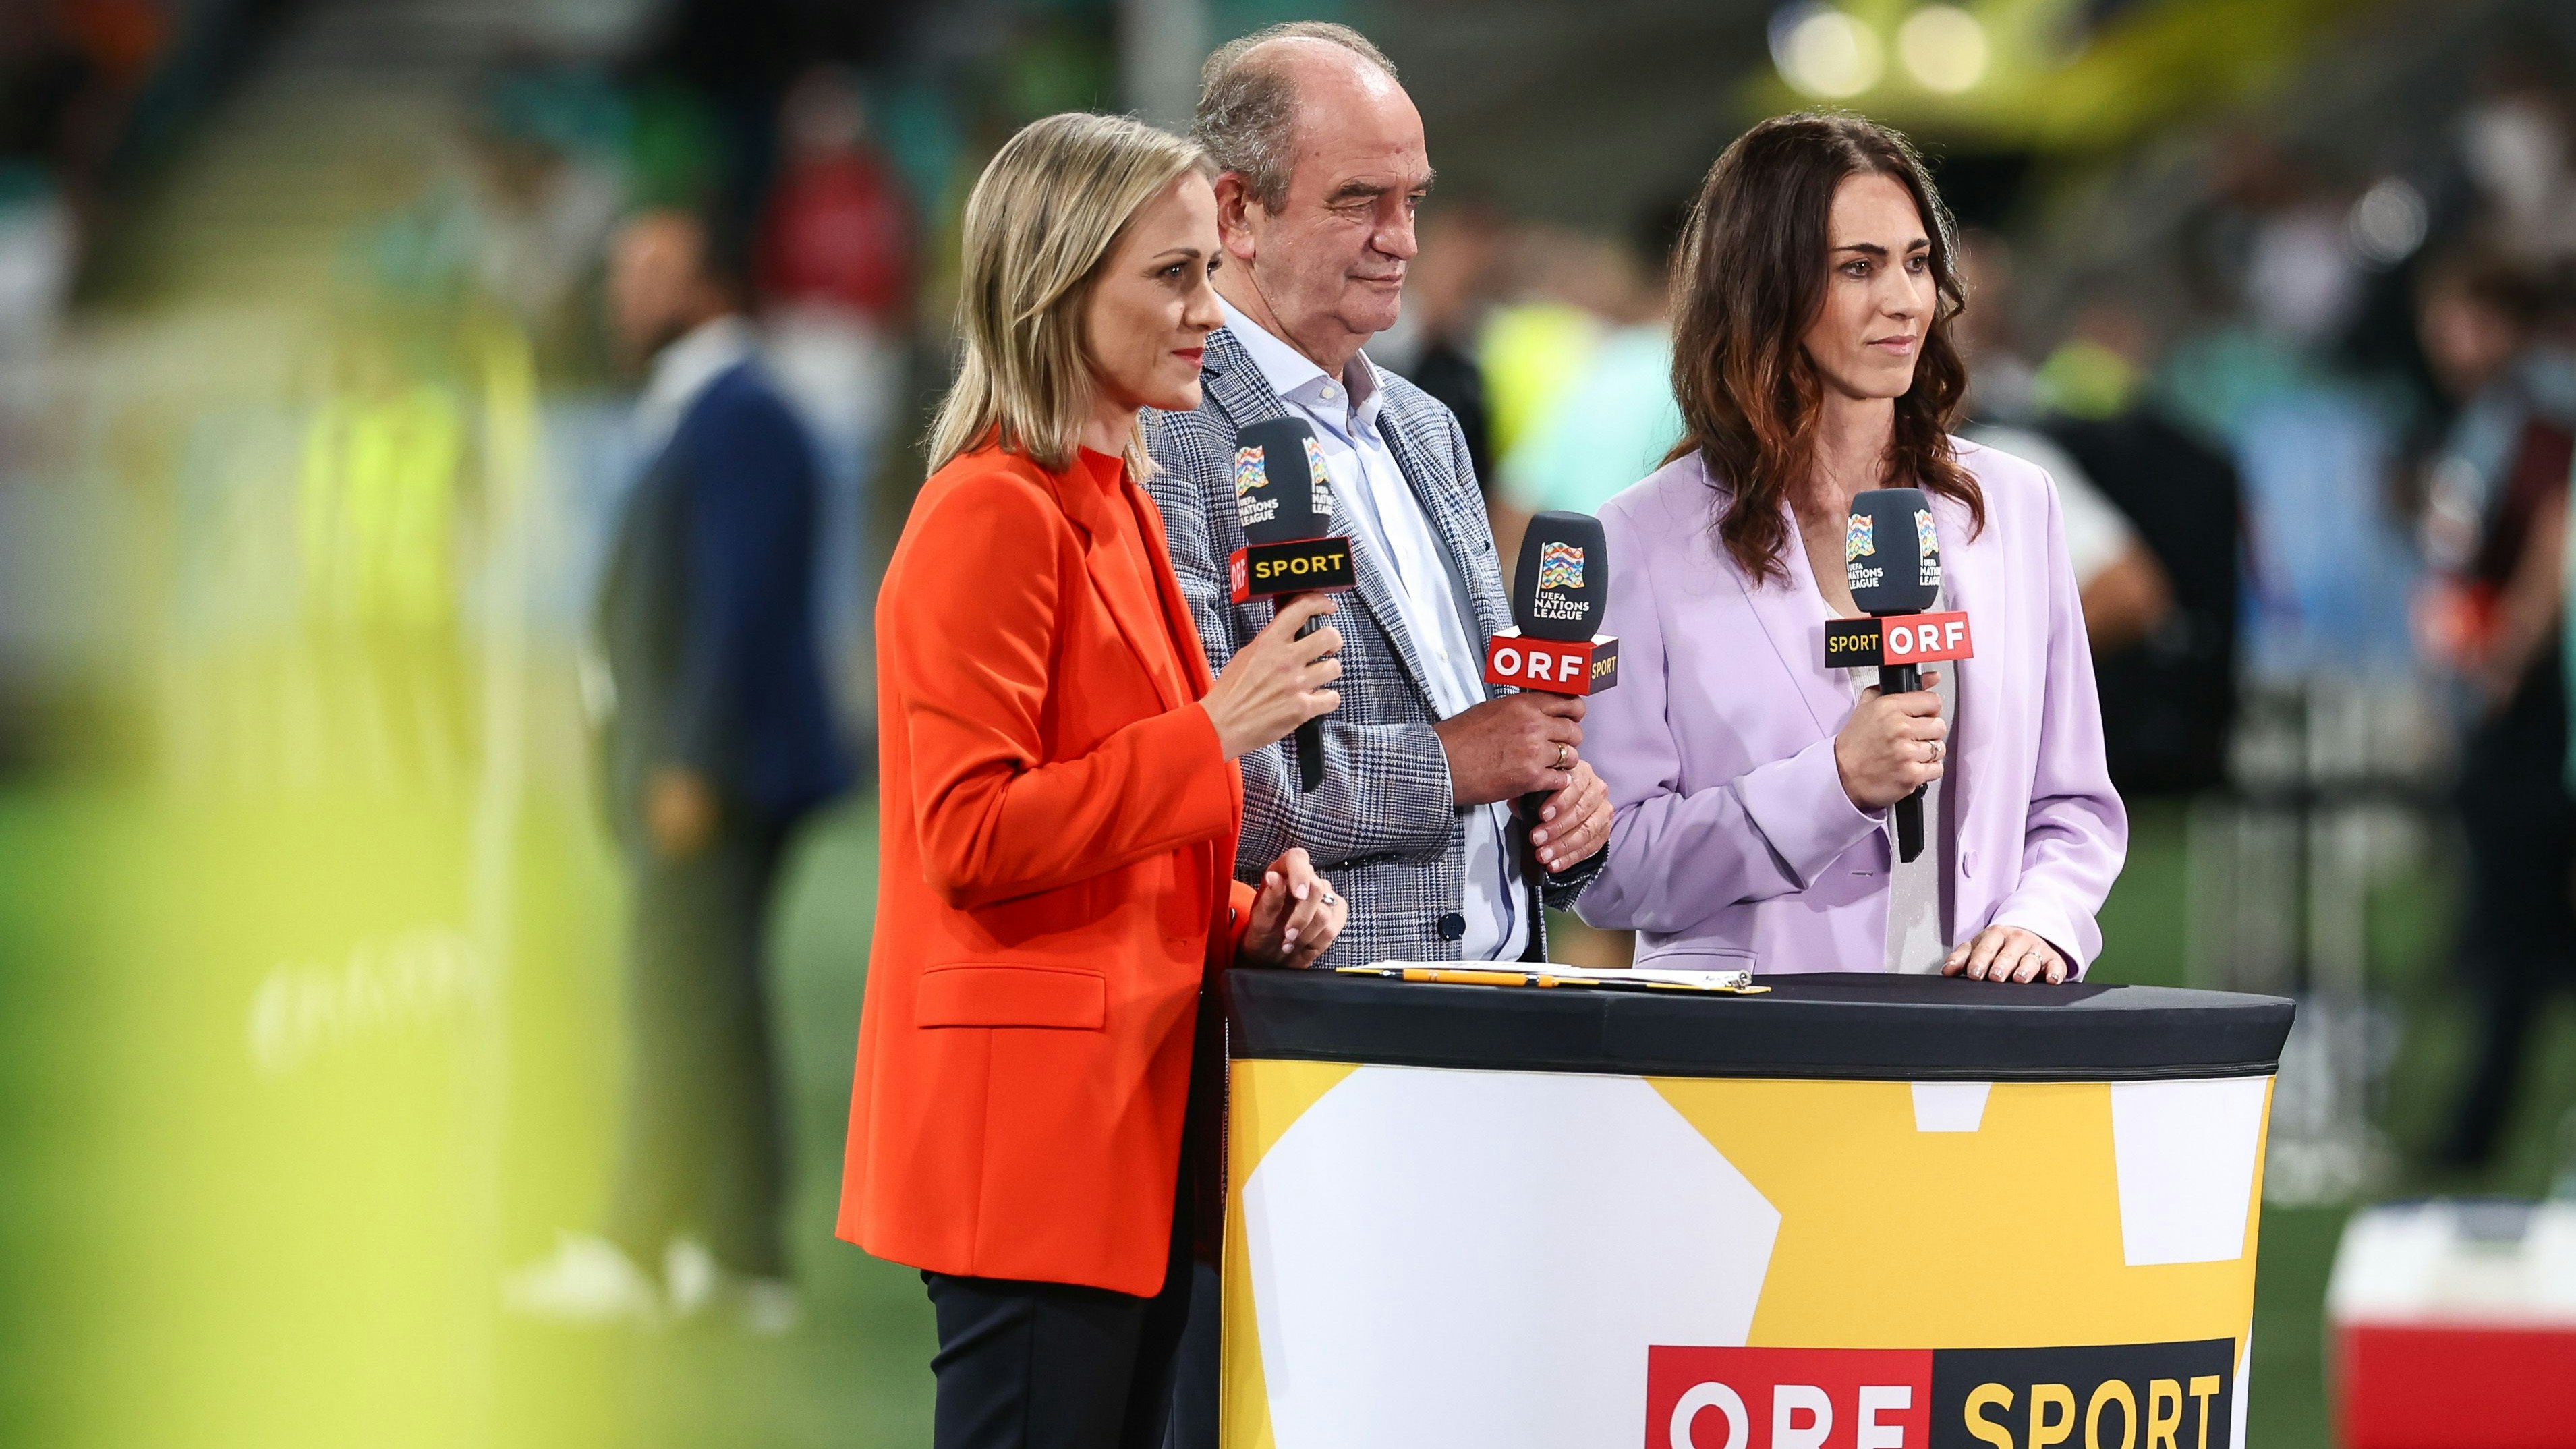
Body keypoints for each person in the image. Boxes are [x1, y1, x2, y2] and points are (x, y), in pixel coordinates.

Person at [836, 113, 1349, 1449]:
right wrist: (1215, 733)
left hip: (1130, 1114)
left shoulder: (1112, 495)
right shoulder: (991, 514)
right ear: (1058, 285)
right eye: (1171, 277)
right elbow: (971, 832)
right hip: (1036, 1140)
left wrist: (1250, 914)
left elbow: (1119, 840)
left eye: (1207, 274)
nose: (1208, 316)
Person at [1574, 113, 2127, 983]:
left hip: (1979, 1049)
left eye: (1915, 263)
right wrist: (1832, 786)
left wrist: (2044, 922)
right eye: (1858, 268)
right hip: (1751, 1065)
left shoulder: (2016, 508)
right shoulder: (1641, 541)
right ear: (1765, 287)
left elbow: (2074, 806)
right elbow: (1612, 870)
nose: (1904, 301)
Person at [1144, 22, 1613, 979]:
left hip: (1512, 993)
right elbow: (1192, 784)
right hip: (1325, 1034)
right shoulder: (1166, 439)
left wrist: (1562, 799)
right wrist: (1454, 763)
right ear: (1235, 214)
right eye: (1360, 201)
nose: (1401, 240)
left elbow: (1491, 728)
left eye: (1414, 201)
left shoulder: (1425, 425)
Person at [507, 207, 851, 1330]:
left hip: (720, 772)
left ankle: (639, 1246)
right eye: (620, 272)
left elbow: (735, 608)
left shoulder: (737, 411)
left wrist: (689, 762)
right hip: (717, 765)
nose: (624, 295)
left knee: (674, 1001)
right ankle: (741, 1254)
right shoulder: (712, 409)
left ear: (710, 286)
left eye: (649, 272)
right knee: (714, 1005)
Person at [2411, 248, 2576, 1168]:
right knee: (2512, 923)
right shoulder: (2491, 415)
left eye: (2458, 318)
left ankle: (2474, 1137)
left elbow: (2559, 525)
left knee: (2515, 922)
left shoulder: (2538, 414)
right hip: (2503, 697)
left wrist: (2511, 648)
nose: (2444, 341)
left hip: (2535, 705)